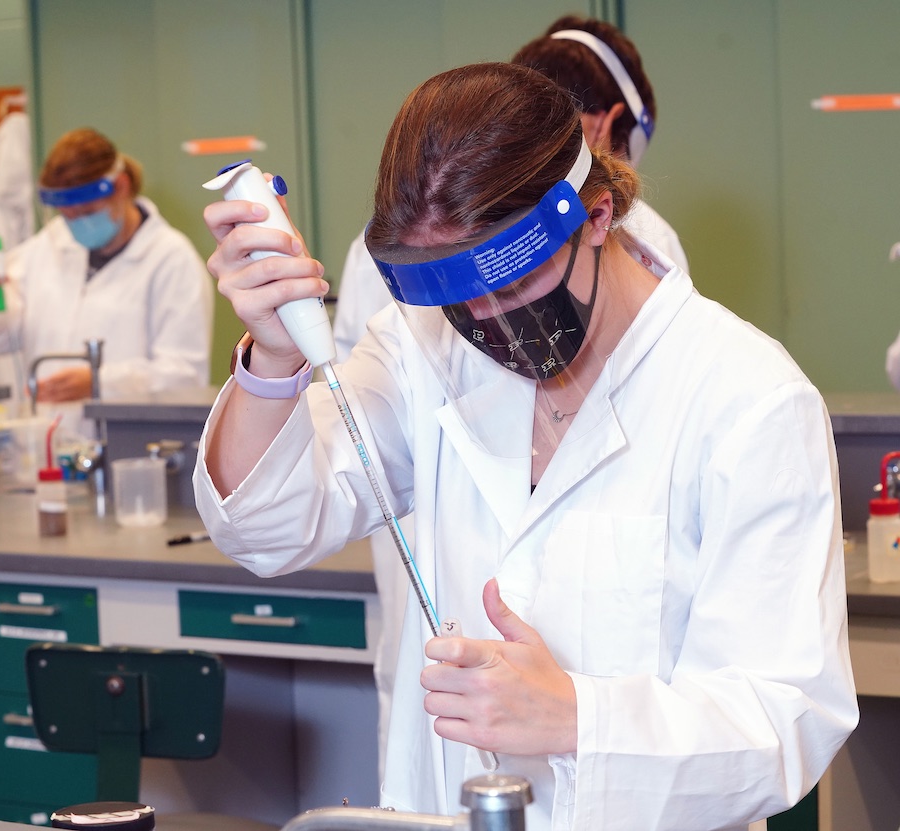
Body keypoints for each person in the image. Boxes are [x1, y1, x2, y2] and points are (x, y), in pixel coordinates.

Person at [195, 62, 856, 829]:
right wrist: (276, 358)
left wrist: (577, 715)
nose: (485, 320)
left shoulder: (746, 399)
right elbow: (263, 528)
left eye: (511, 282)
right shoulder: (421, 347)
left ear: (598, 215)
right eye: (454, 292)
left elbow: (785, 720)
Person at [333, 15, 687, 363]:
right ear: (607, 124)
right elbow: (354, 400)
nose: (481, 310)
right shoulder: (406, 241)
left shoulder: (638, 257)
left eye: (510, 283)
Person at [0, 128, 212, 438]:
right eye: (67, 216)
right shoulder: (48, 246)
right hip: (48, 446)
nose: (77, 225)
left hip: (129, 445)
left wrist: (98, 382)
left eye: (88, 212)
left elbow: (185, 377)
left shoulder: (171, 260)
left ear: (121, 187)